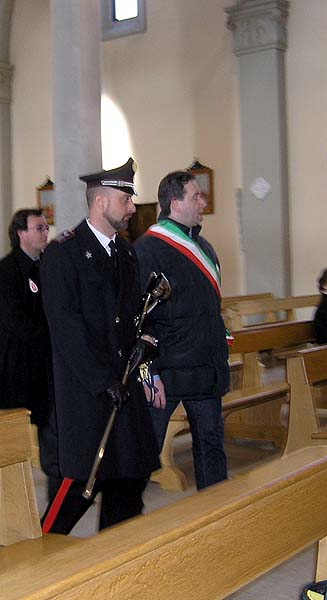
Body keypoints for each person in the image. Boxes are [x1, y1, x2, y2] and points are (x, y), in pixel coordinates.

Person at [40, 158, 160, 534]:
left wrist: (146, 340)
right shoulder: (63, 254)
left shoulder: (125, 252)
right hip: (88, 395)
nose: (132, 208)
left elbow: (135, 311)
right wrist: (101, 380)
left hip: (124, 390)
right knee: (79, 487)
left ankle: (114, 557)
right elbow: (66, 329)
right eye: (125, 200)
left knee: (129, 480)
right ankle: (41, 560)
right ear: (101, 202)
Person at [134, 170, 230, 491]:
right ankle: (126, 517)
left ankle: (217, 511)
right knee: (143, 454)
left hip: (204, 368)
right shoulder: (147, 250)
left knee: (212, 448)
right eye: (196, 196)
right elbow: (137, 317)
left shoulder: (204, 246)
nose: (203, 202)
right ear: (175, 204)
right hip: (166, 371)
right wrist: (148, 373)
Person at [0, 208, 60, 500]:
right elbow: (14, 319)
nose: (45, 232)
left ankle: (56, 480)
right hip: (17, 362)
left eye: (46, 227)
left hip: (47, 364)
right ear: (21, 233)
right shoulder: (4, 271)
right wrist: (51, 337)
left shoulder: (49, 265)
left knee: (50, 424)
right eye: (39, 228)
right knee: (7, 425)